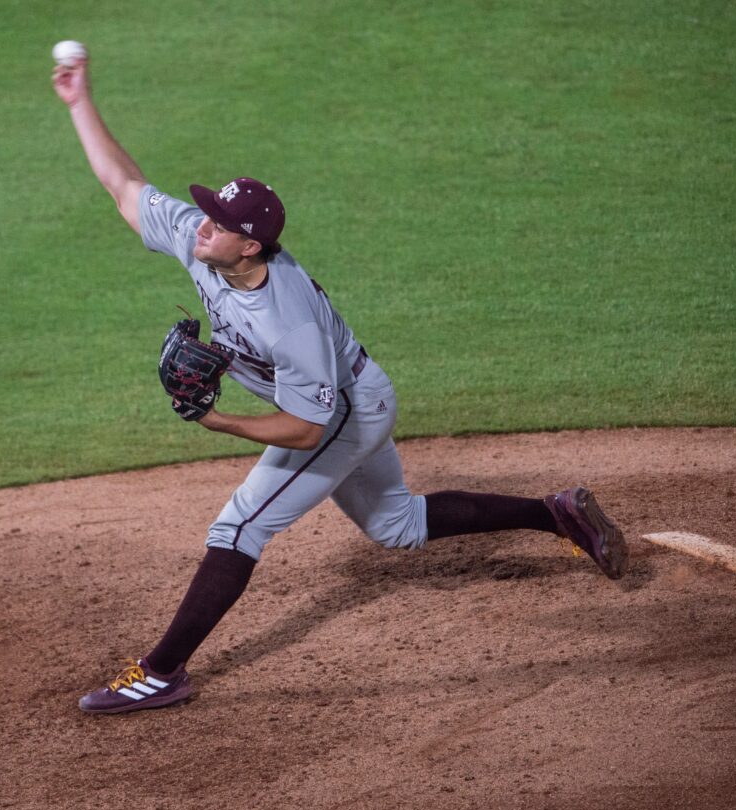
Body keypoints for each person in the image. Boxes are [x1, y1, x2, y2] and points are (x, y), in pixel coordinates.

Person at [52, 56, 628, 715]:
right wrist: (79, 102)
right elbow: (125, 187)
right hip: (353, 392)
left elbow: (307, 428)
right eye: (207, 211)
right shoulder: (203, 243)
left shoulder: (287, 320)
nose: (202, 221)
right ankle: (554, 513)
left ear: (251, 249)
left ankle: (161, 671)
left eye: (219, 221)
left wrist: (221, 424)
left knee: (239, 526)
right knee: (395, 523)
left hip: (345, 412)